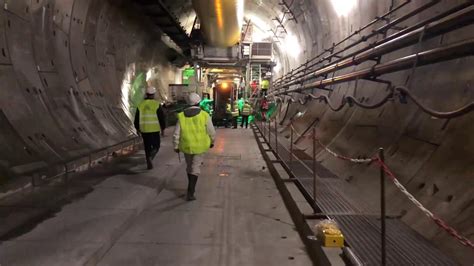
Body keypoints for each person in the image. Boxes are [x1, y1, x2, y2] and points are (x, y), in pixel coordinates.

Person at [174, 93, 216, 201]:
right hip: (200, 146)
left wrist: (176, 145)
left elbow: (176, 133)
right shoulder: (205, 115)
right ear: (198, 102)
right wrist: (212, 141)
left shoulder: (181, 116)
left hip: (186, 146)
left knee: (189, 167)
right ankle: (191, 192)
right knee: (195, 168)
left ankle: (190, 189)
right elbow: (211, 131)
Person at [134, 87, 166, 170]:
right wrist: (163, 128)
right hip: (154, 129)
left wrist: (137, 128)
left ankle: (148, 159)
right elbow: (161, 117)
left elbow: (136, 118)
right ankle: (151, 157)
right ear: (154, 94)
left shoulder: (140, 105)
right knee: (156, 146)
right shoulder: (156, 104)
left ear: (146, 94)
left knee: (147, 146)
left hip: (144, 129)